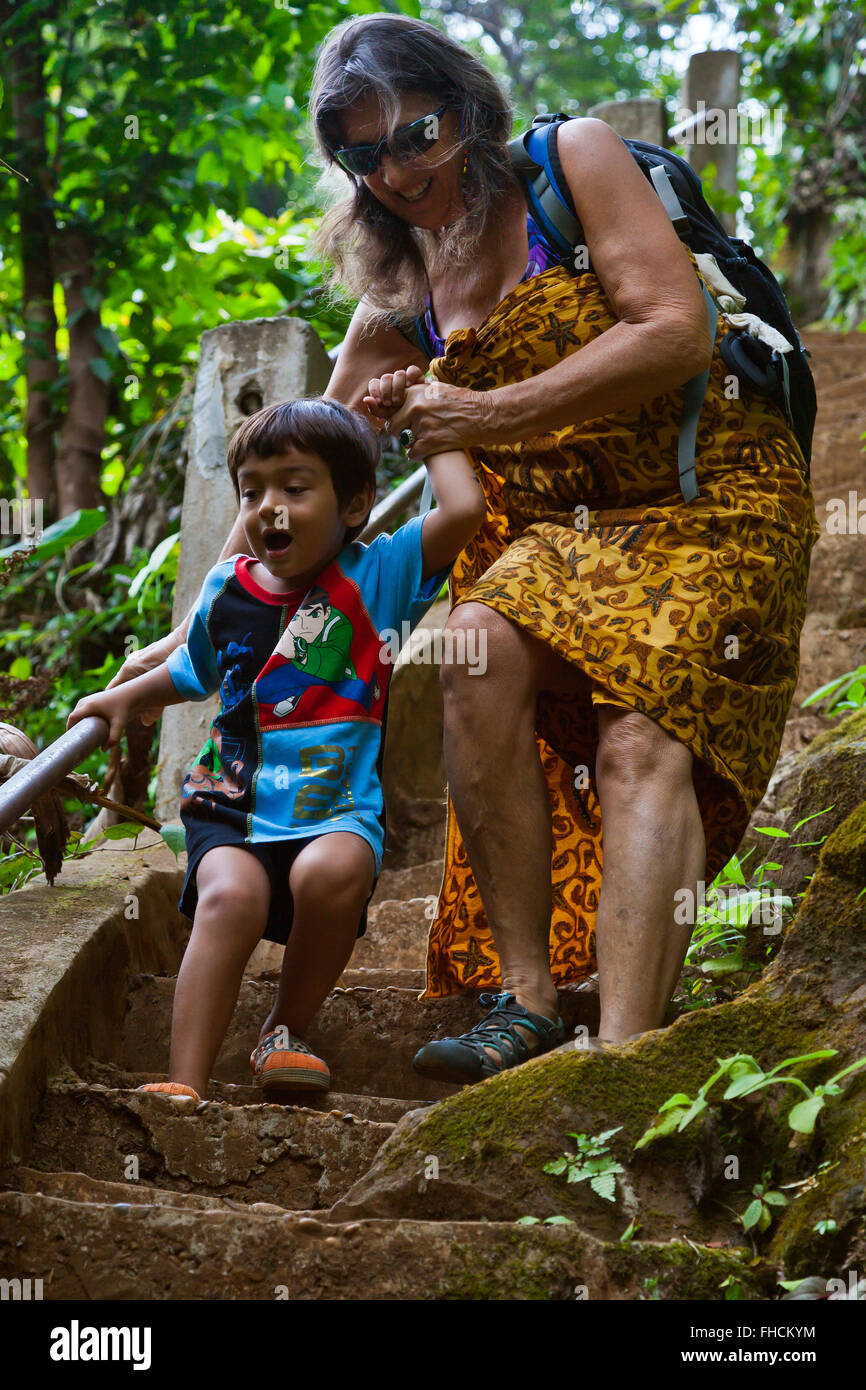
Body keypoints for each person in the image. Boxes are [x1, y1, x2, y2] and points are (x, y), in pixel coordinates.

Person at [107, 14, 821, 1088]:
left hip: (708, 494)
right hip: (562, 540)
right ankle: (526, 1000)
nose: (393, 173)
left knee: (637, 742)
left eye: (414, 136)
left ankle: (620, 1057)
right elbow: (292, 521)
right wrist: (176, 650)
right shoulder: (400, 297)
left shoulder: (569, 162)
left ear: (469, 110)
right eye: (362, 156)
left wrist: (480, 417)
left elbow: (674, 328)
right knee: (471, 644)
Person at [66, 396, 488, 1101]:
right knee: (230, 897)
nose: (269, 506)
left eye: (295, 487)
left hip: (333, 805)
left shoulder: (378, 576)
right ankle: (185, 1082)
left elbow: (465, 510)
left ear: (353, 504)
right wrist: (125, 698)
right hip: (232, 800)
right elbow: (194, 671)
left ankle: (283, 1029)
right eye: (253, 490)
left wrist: (426, 414)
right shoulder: (226, 588)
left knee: (332, 872)